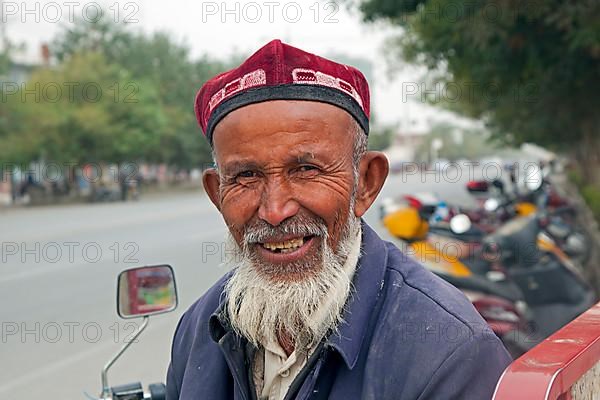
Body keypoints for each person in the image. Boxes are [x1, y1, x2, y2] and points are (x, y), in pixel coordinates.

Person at [166, 39, 511, 400]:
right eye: (246, 177)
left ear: (365, 183)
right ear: (216, 194)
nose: (274, 210)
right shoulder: (198, 330)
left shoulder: (449, 351)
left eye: (306, 170)